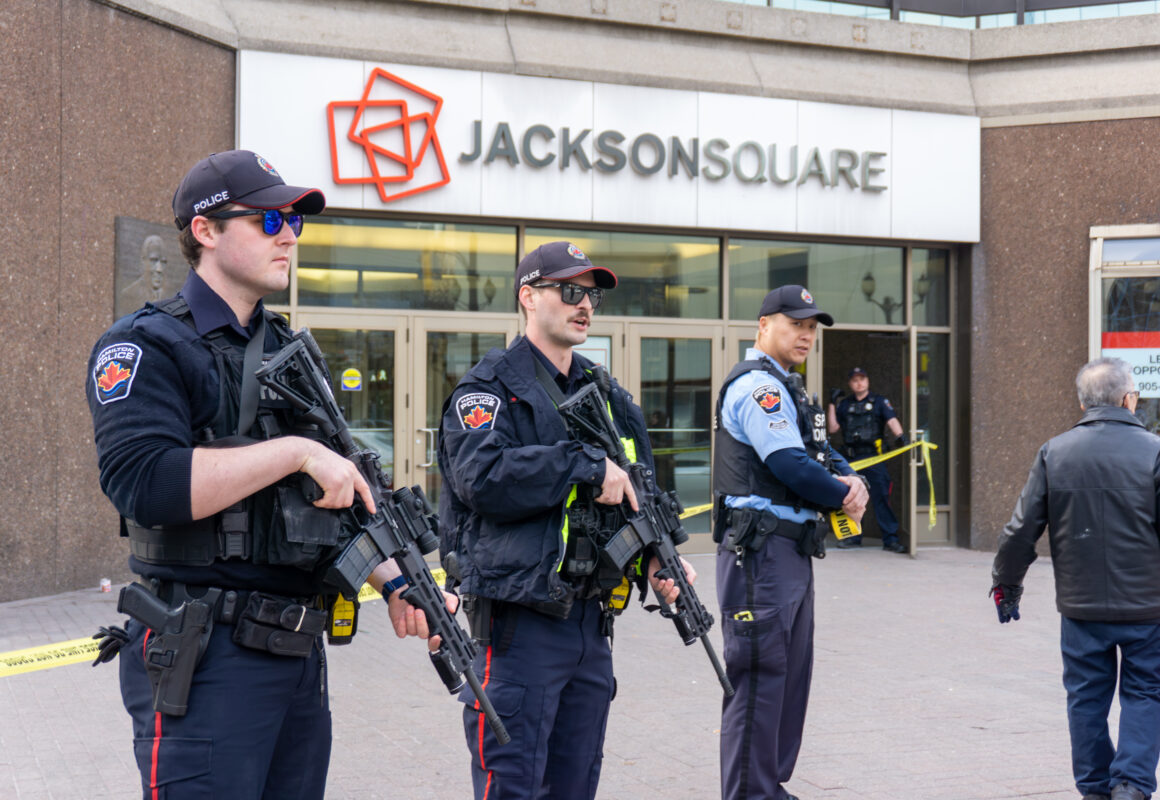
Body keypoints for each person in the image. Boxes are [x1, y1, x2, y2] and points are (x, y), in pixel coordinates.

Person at [87, 150, 437, 799]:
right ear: (206, 230)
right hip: (205, 655)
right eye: (270, 217)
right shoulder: (146, 346)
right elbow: (146, 483)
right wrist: (295, 453)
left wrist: (397, 582)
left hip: (297, 656)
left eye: (295, 221)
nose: (288, 234)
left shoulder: (290, 352)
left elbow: (344, 494)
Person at [436, 240, 694, 800]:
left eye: (592, 296)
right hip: (517, 625)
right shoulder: (488, 389)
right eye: (570, 291)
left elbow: (638, 480)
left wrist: (660, 552)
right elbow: (480, 478)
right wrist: (581, 465)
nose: (585, 306)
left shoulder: (603, 391)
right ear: (528, 297)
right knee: (513, 785)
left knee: (575, 784)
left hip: (590, 623)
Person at [991, 357, 1160, 800]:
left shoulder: (1055, 451)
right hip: (1147, 606)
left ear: (1083, 402)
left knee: (1086, 697)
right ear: (1129, 399)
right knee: (1146, 692)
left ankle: (1094, 787)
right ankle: (1130, 785)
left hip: (1081, 605)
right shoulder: (1158, 451)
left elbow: (1020, 530)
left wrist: (1006, 586)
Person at [711, 284, 869, 800]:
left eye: (811, 327)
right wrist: (841, 496)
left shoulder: (791, 387)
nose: (805, 334)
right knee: (760, 678)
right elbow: (786, 462)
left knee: (789, 679)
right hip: (761, 556)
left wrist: (851, 480)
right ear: (763, 325)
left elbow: (818, 452)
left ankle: (768, 787)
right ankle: (749, 794)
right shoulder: (759, 387)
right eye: (794, 323)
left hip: (790, 553)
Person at [826, 366, 907, 552]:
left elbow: (891, 419)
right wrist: (832, 403)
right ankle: (852, 538)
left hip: (874, 457)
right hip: (851, 459)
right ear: (850, 383)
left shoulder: (879, 402)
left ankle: (890, 539)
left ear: (868, 381)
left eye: (862, 378)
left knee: (882, 498)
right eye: (855, 379)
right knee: (851, 499)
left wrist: (900, 436)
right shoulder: (845, 404)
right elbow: (832, 428)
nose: (859, 382)